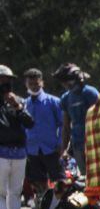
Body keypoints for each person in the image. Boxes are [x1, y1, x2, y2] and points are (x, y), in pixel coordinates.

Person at [0, 65, 34, 209]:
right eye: (2, 81)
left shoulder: (18, 101)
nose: (5, 84)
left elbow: (30, 122)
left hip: (19, 153)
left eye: (8, 81)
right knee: (1, 193)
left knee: (16, 191)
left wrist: (17, 106)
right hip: (1, 153)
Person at [22, 68, 64, 202]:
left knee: (59, 181)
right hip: (32, 150)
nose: (34, 87)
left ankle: (60, 207)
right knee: (38, 182)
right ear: (26, 84)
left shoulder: (54, 102)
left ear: (42, 83)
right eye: (31, 84)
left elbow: (63, 124)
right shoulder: (23, 104)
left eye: (36, 84)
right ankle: (45, 208)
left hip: (51, 148)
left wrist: (60, 143)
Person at [54, 63, 99, 174]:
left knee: (97, 175)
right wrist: (64, 149)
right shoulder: (66, 98)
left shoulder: (90, 93)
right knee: (84, 176)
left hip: (94, 142)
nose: (65, 84)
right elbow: (66, 126)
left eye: (67, 81)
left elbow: (99, 117)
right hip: (78, 143)